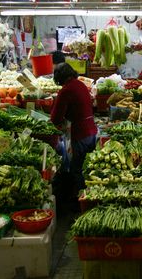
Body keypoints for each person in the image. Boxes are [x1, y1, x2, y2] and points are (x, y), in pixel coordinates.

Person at [51, 63, 97, 204]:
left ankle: (81, 201)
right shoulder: (80, 84)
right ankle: (89, 197)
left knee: (77, 169)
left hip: (81, 132)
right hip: (92, 130)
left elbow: (56, 118)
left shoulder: (66, 90)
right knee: (87, 167)